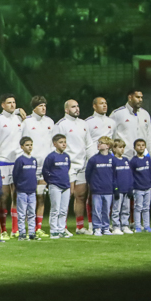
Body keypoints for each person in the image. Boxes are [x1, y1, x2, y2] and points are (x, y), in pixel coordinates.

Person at [0, 94, 23, 240]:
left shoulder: (20, 119)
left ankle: (15, 229)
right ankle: (3, 229)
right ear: (2, 105)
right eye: (9, 103)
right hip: (2, 162)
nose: (12, 105)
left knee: (17, 196)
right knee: (3, 197)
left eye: (14, 102)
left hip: (17, 162)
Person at [56, 100, 95, 235]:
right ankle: (62, 227)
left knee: (81, 196)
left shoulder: (83, 124)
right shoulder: (61, 124)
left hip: (82, 165)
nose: (77, 109)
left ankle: (79, 226)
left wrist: (92, 161)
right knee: (67, 196)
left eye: (77, 106)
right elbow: (55, 144)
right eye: (73, 107)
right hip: (68, 166)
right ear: (66, 110)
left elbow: (89, 145)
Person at [21, 96, 54, 238]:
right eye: (40, 105)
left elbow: (52, 143)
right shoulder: (27, 122)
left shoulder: (50, 122)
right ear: (34, 107)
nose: (43, 108)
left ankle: (38, 227)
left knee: (41, 197)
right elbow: (21, 141)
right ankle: (26, 227)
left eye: (44, 105)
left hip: (45, 166)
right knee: (29, 197)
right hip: (30, 165)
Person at [111, 90, 151, 167]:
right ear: (130, 97)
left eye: (141, 97)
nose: (140, 100)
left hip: (140, 158)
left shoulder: (145, 114)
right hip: (123, 158)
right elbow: (110, 135)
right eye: (137, 97)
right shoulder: (117, 114)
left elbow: (149, 137)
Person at [42, 134, 72, 239]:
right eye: (61, 142)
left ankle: (61, 229)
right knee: (55, 209)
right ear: (55, 144)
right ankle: (54, 230)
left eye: (64, 142)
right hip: (55, 185)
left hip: (66, 185)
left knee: (63, 210)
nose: (64, 144)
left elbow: (67, 168)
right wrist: (51, 181)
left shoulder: (66, 156)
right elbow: (45, 171)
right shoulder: (51, 157)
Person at [85, 137, 115, 236]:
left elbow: (115, 174)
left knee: (106, 211)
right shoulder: (94, 159)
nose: (99, 144)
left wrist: (114, 187)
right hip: (97, 189)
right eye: (98, 142)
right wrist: (92, 184)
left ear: (108, 146)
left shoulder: (112, 159)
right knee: (97, 210)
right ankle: (97, 228)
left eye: (101, 143)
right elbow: (88, 174)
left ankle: (105, 228)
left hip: (108, 189)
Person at [12, 137, 38, 241]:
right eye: (27, 145)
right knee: (22, 213)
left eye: (31, 145)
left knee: (32, 213)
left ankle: (32, 232)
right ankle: (22, 233)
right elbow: (15, 175)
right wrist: (19, 186)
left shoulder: (33, 160)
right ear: (22, 147)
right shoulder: (20, 160)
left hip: (32, 191)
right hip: (22, 190)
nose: (30, 147)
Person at [130, 139, 151, 233]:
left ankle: (147, 226)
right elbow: (131, 175)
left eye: (143, 145)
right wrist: (132, 187)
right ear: (135, 148)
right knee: (138, 208)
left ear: (145, 147)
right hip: (138, 188)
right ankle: (137, 226)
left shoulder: (148, 159)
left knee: (146, 208)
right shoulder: (133, 161)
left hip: (147, 188)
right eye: (138, 145)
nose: (141, 147)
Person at [110, 139, 132, 235]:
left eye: (123, 147)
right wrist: (115, 188)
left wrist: (130, 187)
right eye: (120, 147)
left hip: (126, 189)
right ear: (114, 149)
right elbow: (112, 176)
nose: (122, 149)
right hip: (118, 190)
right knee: (116, 209)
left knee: (126, 209)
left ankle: (125, 225)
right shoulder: (113, 161)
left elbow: (130, 175)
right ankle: (116, 226)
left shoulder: (126, 160)